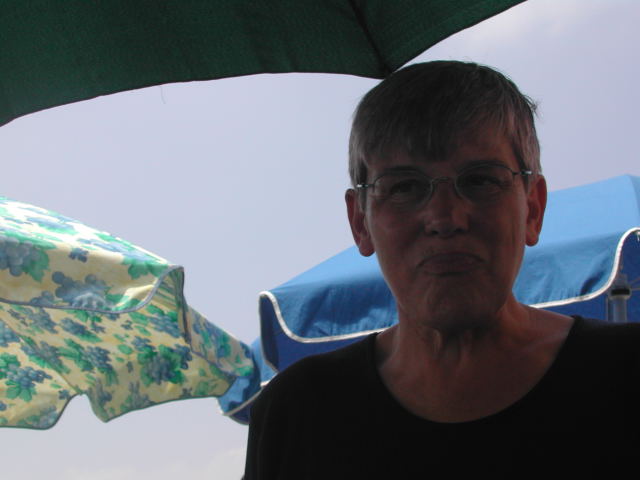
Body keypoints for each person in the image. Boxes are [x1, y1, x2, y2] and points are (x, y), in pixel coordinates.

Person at [244, 61, 640, 479]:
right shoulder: (298, 414)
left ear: (533, 208)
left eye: (481, 180)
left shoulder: (628, 377)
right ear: (360, 222)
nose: (444, 217)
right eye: (404, 187)